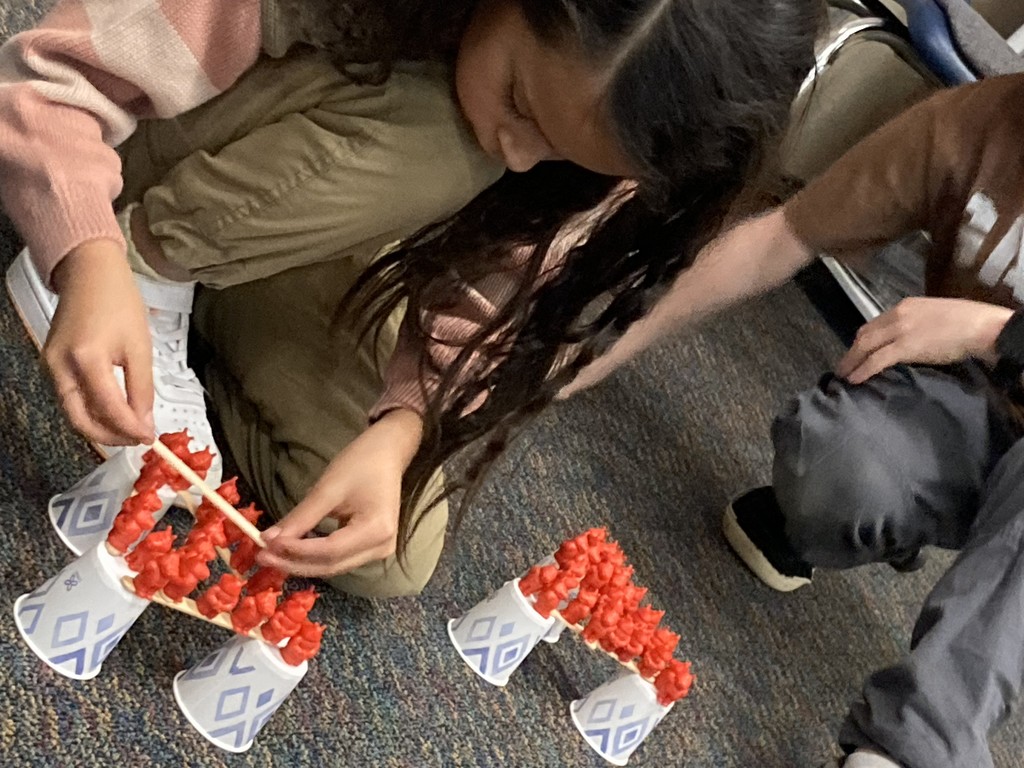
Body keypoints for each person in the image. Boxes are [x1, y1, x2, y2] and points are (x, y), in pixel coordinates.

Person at [0, 0, 821, 595]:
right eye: (521, 105)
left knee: (384, 554)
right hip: (139, 157)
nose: (524, 156)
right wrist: (90, 255)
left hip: (285, 223)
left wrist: (400, 428)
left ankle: (194, 307)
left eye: (570, 158)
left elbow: (488, 302)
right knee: (453, 146)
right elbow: (43, 76)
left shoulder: (605, 130)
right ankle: (145, 270)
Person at [564, 74, 1024, 768]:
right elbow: (783, 234)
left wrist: (1001, 333)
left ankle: (910, 749)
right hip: (974, 406)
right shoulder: (987, 118)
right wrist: (584, 349)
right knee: (840, 466)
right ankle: (827, 516)